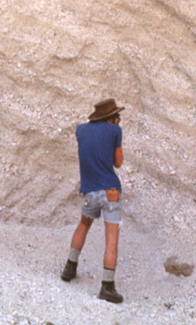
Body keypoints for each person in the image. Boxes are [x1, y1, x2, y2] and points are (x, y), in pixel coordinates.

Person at [60, 98, 125, 303]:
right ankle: (107, 287)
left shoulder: (81, 130)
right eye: (118, 117)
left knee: (83, 225)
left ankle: (69, 268)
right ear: (112, 118)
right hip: (111, 190)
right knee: (111, 237)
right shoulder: (115, 131)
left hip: (90, 190)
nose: (119, 120)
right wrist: (114, 136)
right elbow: (118, 162)